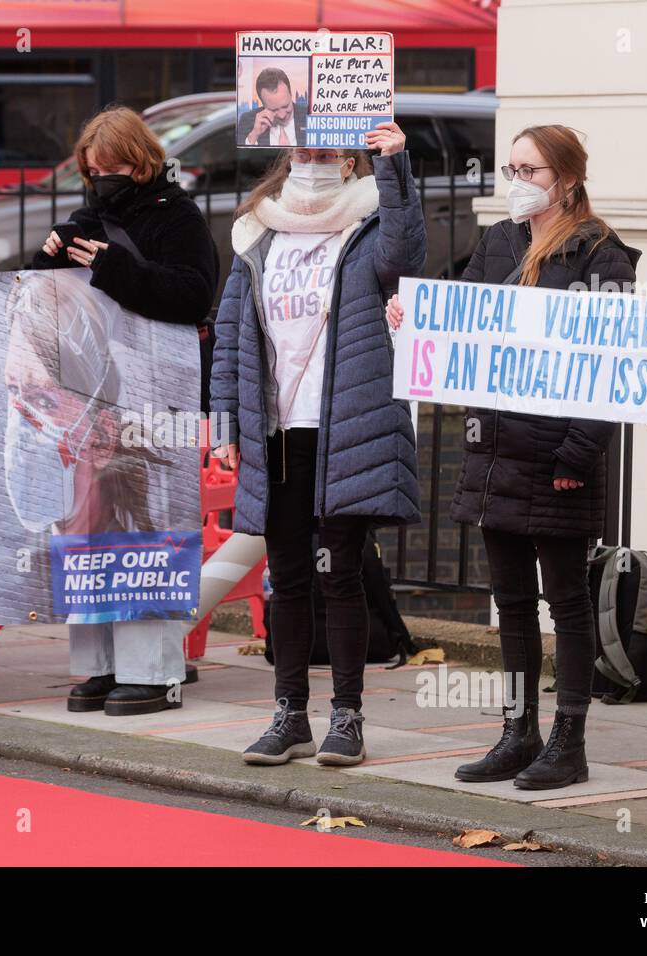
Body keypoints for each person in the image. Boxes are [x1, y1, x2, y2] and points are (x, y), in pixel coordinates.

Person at [388, 124, 639, 789]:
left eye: (529, 170)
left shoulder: (598, 254)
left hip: (556, 456)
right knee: (511, 602)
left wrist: (577, 453)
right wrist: (416, 324)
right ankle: (517, 732)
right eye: (511, 168)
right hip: (496, 451)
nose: (515, 182)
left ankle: (569, 740)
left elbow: (608, 365)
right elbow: (465, 323)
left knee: (566, 601)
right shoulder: (500, 241)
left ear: (567, 179)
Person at [211, 124, 425, 767]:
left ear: (348, 157)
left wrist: (395, 165)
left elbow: (408, 254)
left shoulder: (367, 221)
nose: (313, 158)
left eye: (327, 149)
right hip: (274, 433)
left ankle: (348, 717)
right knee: (289, 578)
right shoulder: (256, 232)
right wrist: (223, 422)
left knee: (341, 577)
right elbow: (230, 334)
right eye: (303, 148)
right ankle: (289, 714)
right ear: (285, 155)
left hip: (344, 428)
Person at [29, 105, 218, 716]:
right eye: (91, 170)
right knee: (89, 529)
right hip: (95, 402)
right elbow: (46, 304)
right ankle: (100, 666)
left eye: (109, 169)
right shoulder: (90, 217)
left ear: (140, 163)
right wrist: (48, 258)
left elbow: (191, 294)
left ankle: (154, 669)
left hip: (156, 399)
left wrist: (114, 269)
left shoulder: (178, 216)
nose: (99, 179)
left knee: (150, 528)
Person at [236, 68, 308, 147]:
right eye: (274, 110)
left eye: (285, 106)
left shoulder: (310, 115)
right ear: (263, 104)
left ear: (291, 94)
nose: (282, 115)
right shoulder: (247, 121)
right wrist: (254, 135)